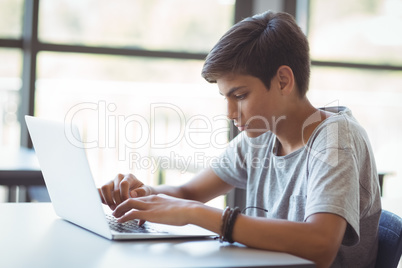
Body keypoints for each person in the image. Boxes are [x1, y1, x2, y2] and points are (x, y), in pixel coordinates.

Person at [98, 11, 381, 268]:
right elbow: (188, 193)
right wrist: (143, 195)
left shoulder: (335, 138)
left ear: (283, 80)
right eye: (226, 98)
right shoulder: (261, 137)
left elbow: (321, 246)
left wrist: (201, 215)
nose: (231, 113)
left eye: (241, 95)